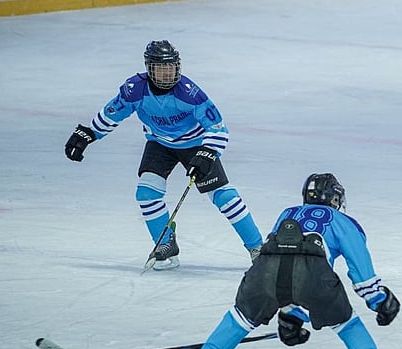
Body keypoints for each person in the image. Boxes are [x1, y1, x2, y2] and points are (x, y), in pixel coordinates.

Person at [180, 173, 402, 349]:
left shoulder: (288, 213)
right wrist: (379, 299)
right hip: (313, 274)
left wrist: (292, 312)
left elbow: (285, 261)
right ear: (335, 199)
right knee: (345, 323)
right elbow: (359, 271)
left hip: (264, 270)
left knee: (240, 318)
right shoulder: (343, 221)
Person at [63, 40, 262, 269]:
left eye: (171, 67)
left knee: (223, 197)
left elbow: (217, 127)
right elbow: (114, 112)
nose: (167, 73)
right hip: (159, 144)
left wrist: (208, 152)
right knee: (146, 193)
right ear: (149, 69)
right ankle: (165, 244)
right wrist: (89, 133)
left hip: (195, 146)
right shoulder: (134, 90)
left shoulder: (191, 94)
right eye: (161, 68)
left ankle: (257, 247)